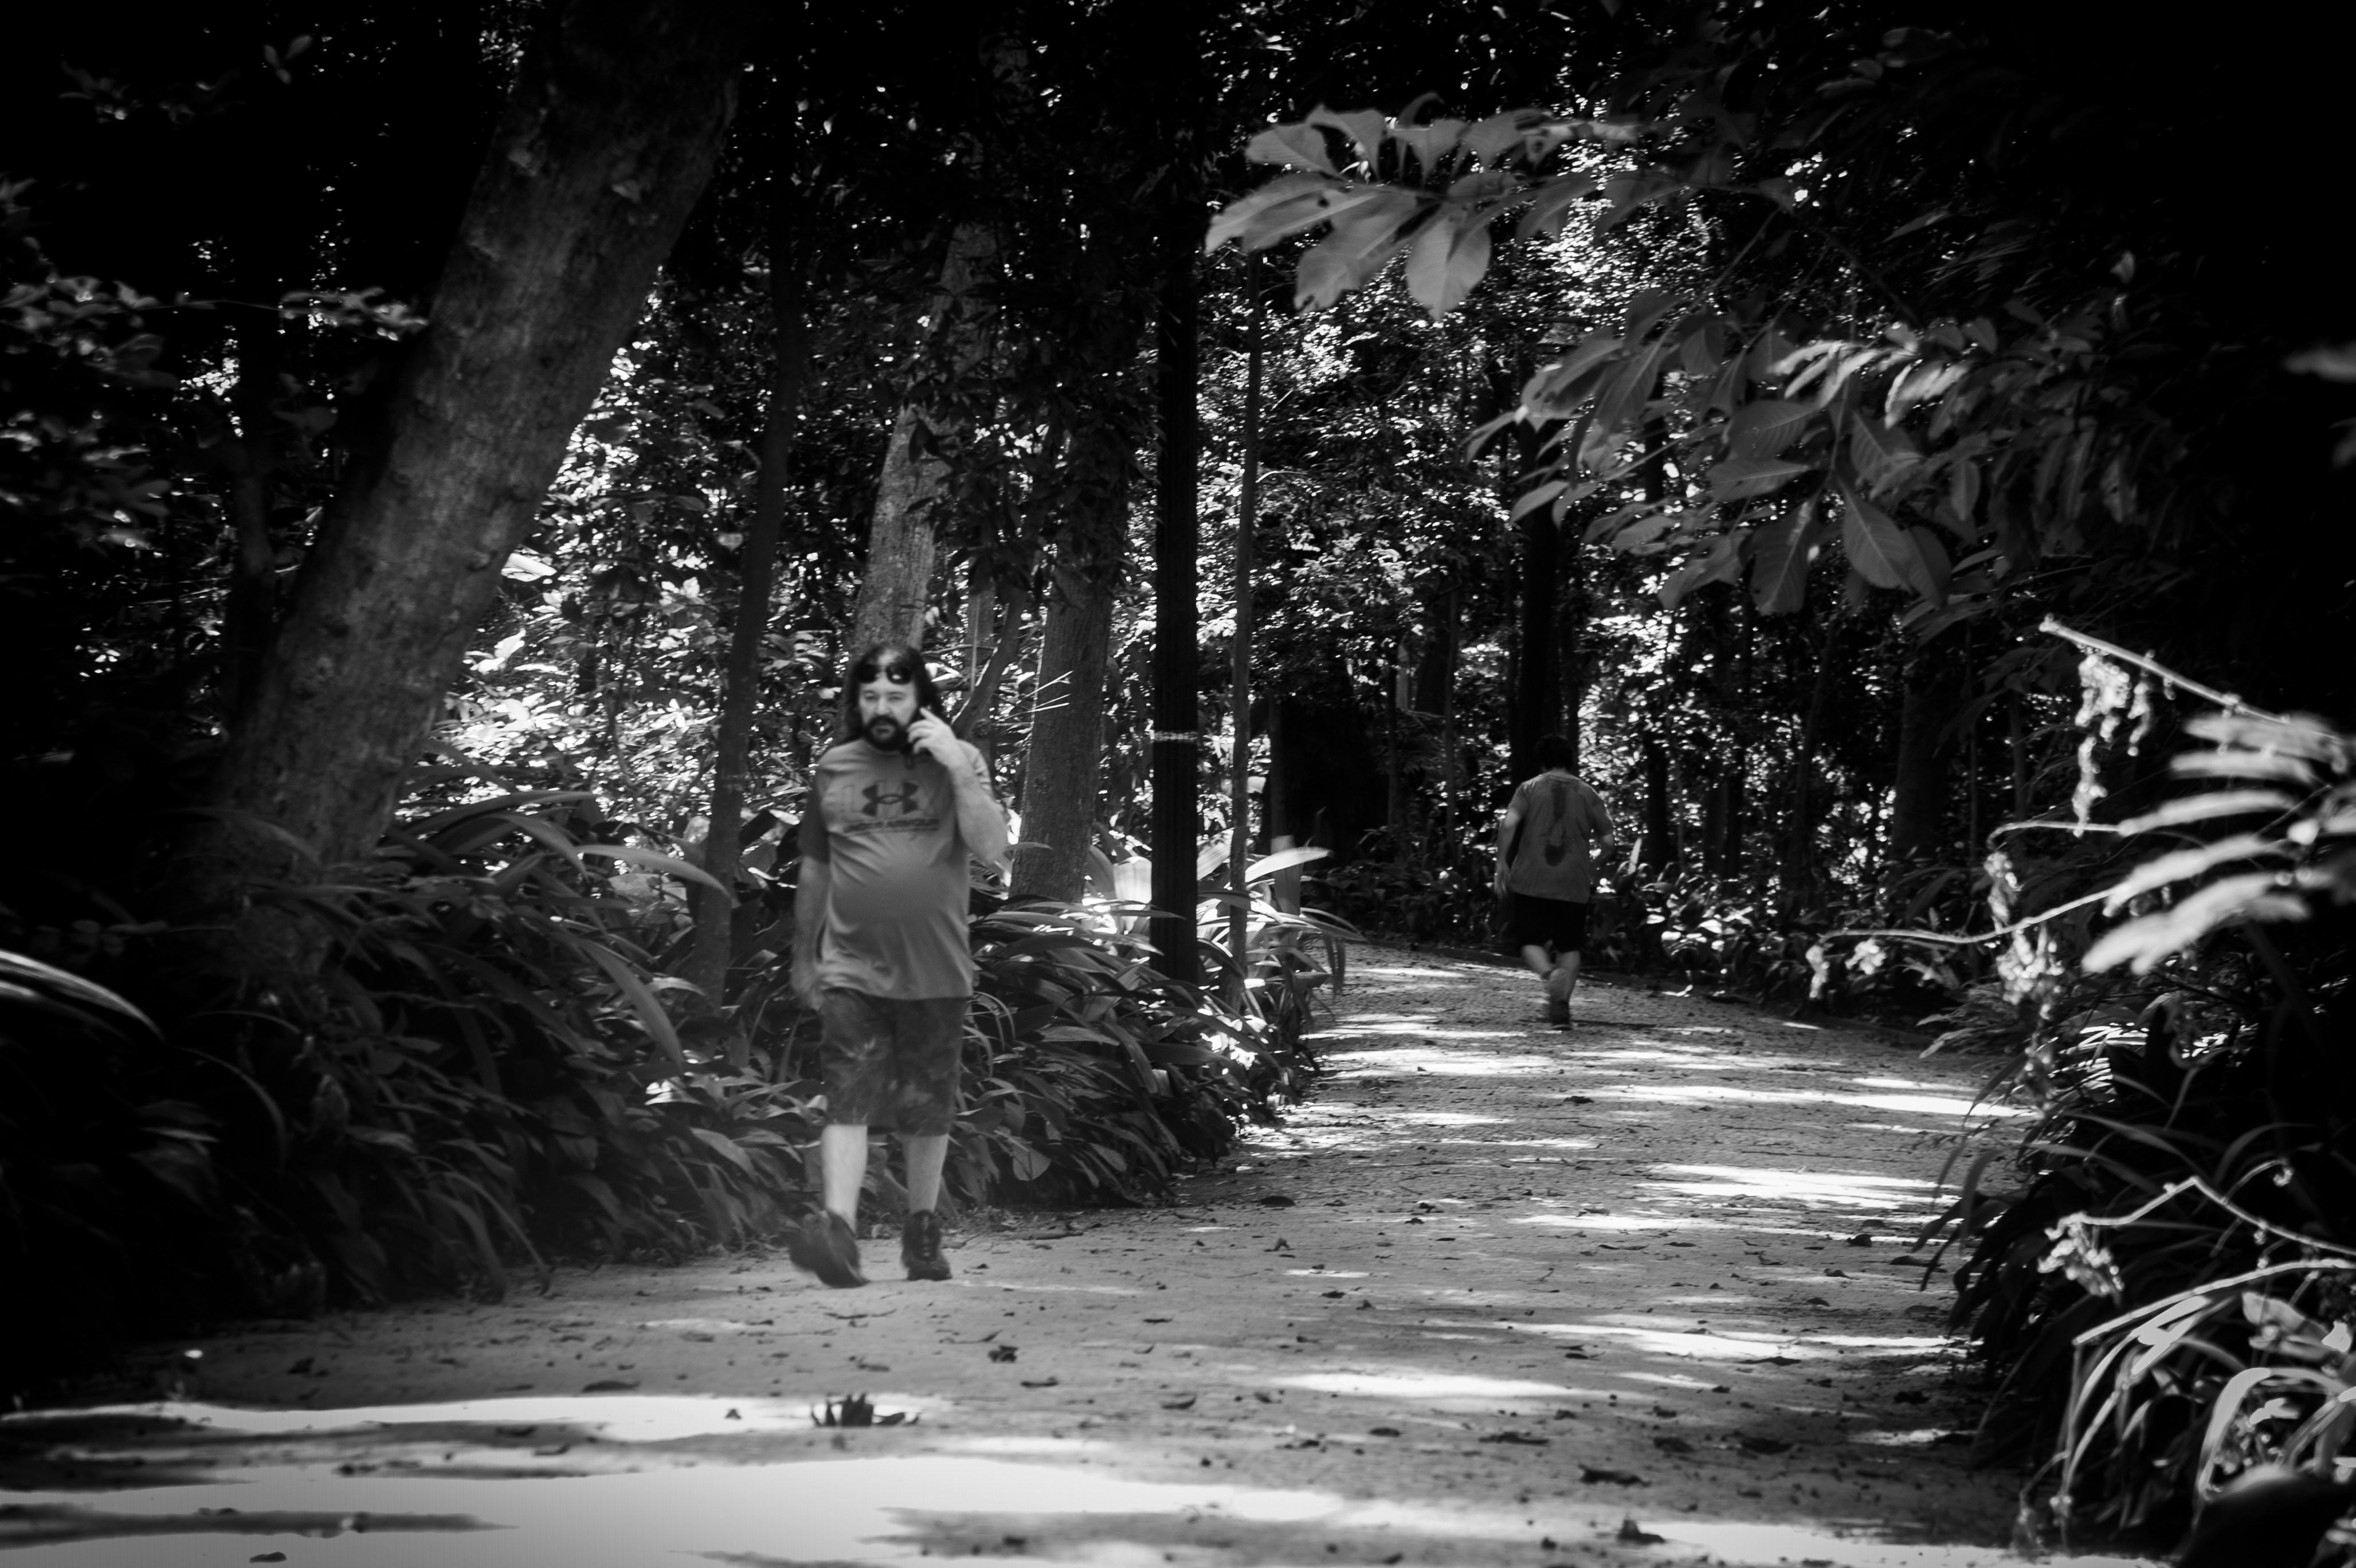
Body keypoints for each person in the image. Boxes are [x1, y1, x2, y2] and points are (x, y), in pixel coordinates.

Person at [787, 642, 1009, 1287]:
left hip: (936, 969)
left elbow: (994, 851)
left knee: (926, 1108)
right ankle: (839, 1233)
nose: (883, 707)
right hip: (852, 968)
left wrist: (959, 770)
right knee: (847, 1100)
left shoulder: (959, 761)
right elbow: (815, 868)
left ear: (920, 702)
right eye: (871, 696)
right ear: (857, 703)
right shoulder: (834, 768)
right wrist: (806, 957)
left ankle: (922, 1234)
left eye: (896, 696)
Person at [1492, 735, 1615, 1027]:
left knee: (1529, 941)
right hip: (1573, 881)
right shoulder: (1588, 793)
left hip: (1531, 878)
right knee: (1569, 946)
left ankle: (1550, 976)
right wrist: (1594, 866)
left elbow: (1509, 823)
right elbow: (1609, 841)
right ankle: (1560, 1010)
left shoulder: (1529, 789)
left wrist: (1501, 863)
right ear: (1569, 761)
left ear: (1543, 761)